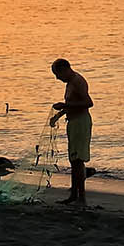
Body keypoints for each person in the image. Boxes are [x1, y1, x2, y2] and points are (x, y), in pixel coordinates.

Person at [49, 58, 94, 206]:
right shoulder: (69, 83)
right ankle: (74, 195)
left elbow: (88, 103)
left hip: (81, 122)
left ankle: (81, 198)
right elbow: (71, 105)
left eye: (57, 74)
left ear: (65, 69)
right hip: (73, 122)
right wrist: (58, 115)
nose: (57, 78)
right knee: (73, 160)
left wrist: (64, 104)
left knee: (78, 160)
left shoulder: (77, 81)